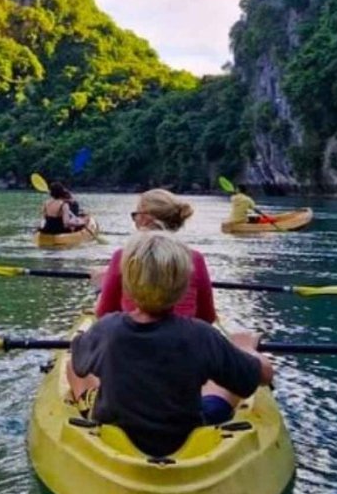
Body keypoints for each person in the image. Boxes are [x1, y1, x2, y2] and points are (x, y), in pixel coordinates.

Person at [66, 231, 274, 458]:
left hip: (114, 430)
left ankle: (88, 411)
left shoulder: (106, 329)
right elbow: (262, 376)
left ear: (126, 284)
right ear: (184, 286)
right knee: (228, 381)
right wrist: (246, 348)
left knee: (71, 367)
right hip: (185, 435)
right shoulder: (201, 335)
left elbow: (79, 363)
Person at [94, 188, 215, 321]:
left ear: (145, 219)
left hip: (134, 337)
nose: (134, 220)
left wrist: (101, 288)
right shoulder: (194, 258)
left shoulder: (123, 256)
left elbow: (104, 313)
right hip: (182, 339)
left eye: (135, 215)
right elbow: (207, 317)